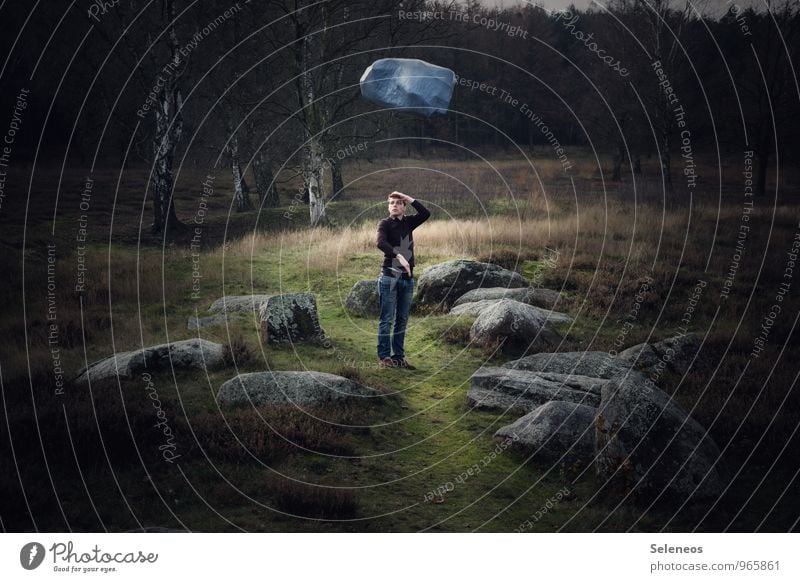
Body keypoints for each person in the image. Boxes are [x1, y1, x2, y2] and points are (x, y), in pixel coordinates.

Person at [375, 191, 431, 369]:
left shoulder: (408, 222)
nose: (394, 205)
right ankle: (384, 357)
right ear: (388, 206)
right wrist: (399, 256)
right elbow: (380, 243)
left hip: (407, 279)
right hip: (389, 277)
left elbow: (426, 214)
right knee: (387, 319)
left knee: (402, 319)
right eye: (391, 203)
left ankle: (398, 357)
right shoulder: (384, 224)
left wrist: (408, 197)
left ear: (404, 206)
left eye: (399, 203)